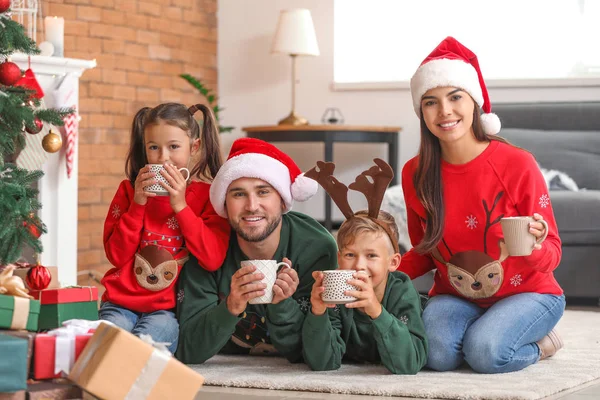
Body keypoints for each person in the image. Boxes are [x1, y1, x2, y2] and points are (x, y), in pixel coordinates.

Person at [398, 37, 565, 374]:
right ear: (421, 112)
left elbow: (553, 251)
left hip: (530, 293)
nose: (444, 111)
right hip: (457, 295)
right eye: (431, 102)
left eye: (455, 97)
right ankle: (488, 329)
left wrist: (532, 248)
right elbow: (424, 250)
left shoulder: (518, 164)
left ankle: (543, 344)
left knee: (486, 353)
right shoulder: (414, 173)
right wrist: (384, 272)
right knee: (435, 356)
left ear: (474, 102)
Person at [176, 138, 338, 364]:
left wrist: (283, 305)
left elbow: (315, 356)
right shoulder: (206, 244)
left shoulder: (318, 247)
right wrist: (230, 306)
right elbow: (186, 350)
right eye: (238, 194)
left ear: (282, 201)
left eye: (263, 192)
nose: (251, 206)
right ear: (224, 203)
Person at [100, 103, 230, 353]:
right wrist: (138, 204)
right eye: (153, 148)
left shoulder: (206, 197)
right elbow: (117, 256)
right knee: (104, 347)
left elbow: (212, 259)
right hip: (119, 303)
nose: (163, 157)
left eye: (173, 147)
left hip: (167, 311)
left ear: (194, 147)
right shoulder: (129, 192)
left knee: (145, 351)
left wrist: (180, 206)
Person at [302, 159, 428, 374]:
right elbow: (322, 363)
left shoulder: (401, 292)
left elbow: (409, 364)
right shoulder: (336, 292)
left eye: (371, 255)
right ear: (339, 259)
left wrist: (376, 311)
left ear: (393, 262)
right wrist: (318, 312)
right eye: (350, 255)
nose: (359, 265)